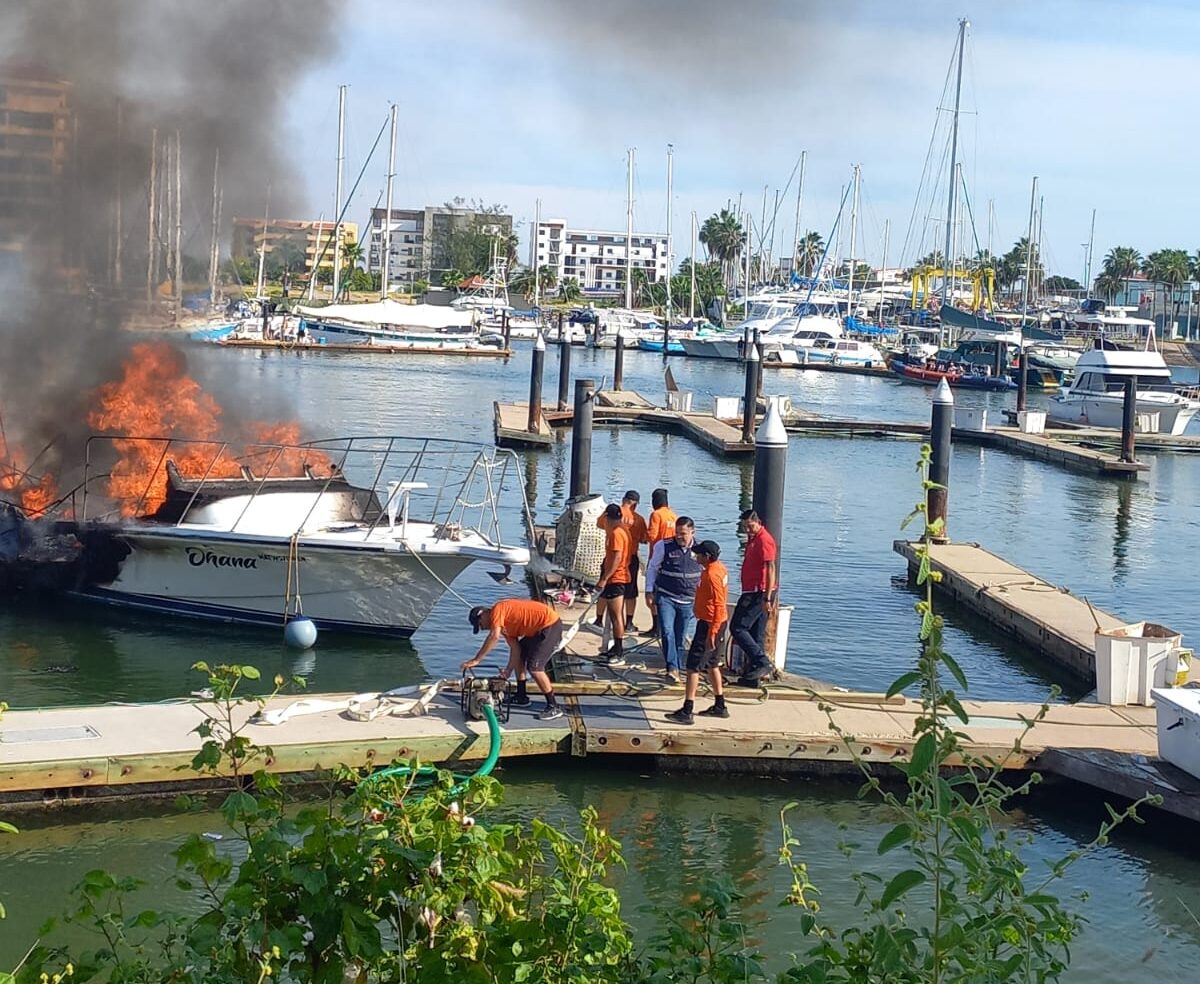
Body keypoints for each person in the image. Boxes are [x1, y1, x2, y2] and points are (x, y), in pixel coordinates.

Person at [460, 599, 564, 721]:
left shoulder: (498, 610)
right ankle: (521, 696)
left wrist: (477, 660)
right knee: (521, 656)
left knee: (535, 668)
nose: (483, 628)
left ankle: (553, 706)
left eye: (481, 624)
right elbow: (516, 649)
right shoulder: (505, 626)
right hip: (536, 631)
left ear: (482, 615)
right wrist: (508, 670)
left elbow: (494, 637)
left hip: (549, 625)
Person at [666, 540, 729, 725]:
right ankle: (720, 705)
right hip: (715, 622)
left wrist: (712, 633)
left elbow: (718, 604)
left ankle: (687, 709)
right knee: (713, 663)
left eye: (699, 554)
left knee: (693, 666)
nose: (696, 556)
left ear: (707, 557)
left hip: (710, 625)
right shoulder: (719, 569)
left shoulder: (711, 575)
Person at [644, 515, 700, 683]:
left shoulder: (700, 549)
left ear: (692, 532)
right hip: (666, 596)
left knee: (680, 636)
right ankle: (672, 668)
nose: (680, 537)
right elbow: (653, 568)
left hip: (688, 600)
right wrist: (648, 591)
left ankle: (677, 665)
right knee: (667, 631)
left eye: (683, 533)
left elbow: (706, 574)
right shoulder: (664, 546)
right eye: (677, 533)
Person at [731, 509, 778, 685]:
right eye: (745, 527)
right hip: (751, 589)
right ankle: (753, 676)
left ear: (758, 522)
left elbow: (771, 569)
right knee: (755, 633)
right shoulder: (754, 538)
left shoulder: (765, 540)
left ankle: (762, 661)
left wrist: (767, 597)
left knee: (738, 627)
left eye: (750, 526)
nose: (748, 530)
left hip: (758, 592)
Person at [594, 501, 634, 664]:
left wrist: (604, 578)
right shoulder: (624, 531)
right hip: (619, 576)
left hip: (616, 578)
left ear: (608, 518)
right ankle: (615, 648)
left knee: (615, 615)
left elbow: (617, 557)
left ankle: (619, 650)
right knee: (614, 615)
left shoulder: (617, 533)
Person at [644, 488, 677, 636]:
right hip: (670, 559)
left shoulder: (656, 515)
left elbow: (651, 536)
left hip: (656, 558)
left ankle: (655, 627)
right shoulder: (673, 516)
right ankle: (662, 627)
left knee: (652, 594)